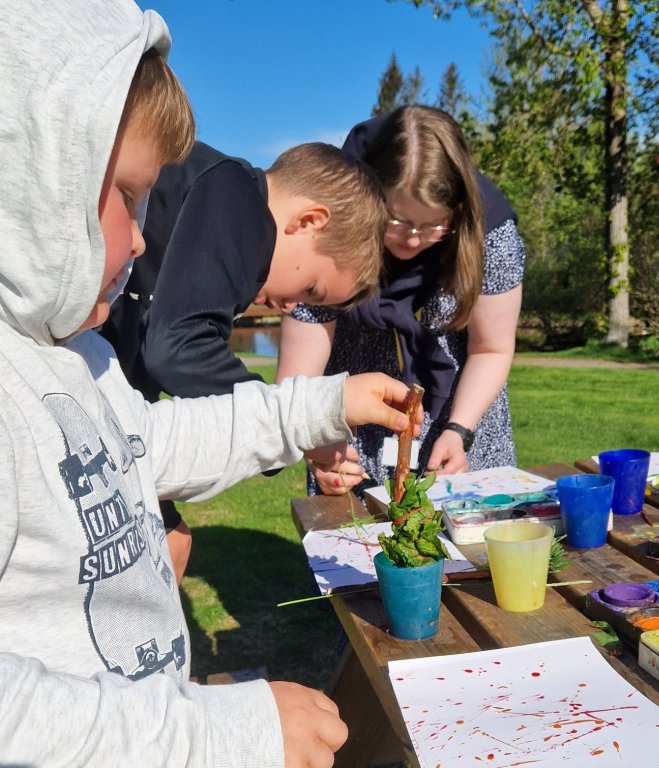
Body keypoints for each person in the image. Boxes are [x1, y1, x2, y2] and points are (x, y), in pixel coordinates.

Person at [0, 3, 421, 765]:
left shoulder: (83, 356)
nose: (142, 237)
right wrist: (214, 735)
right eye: (127, 196)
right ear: (34, 169)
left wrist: (322, 406)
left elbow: (151, 443)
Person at [99, 139, 386, 582]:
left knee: (170, 544)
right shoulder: (238, 194)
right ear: (309, 221)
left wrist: (296, 433)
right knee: (161, 547)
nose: (292, 306)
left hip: (103, 396)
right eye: (311, 288)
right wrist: (299, 424)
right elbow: (179, 347)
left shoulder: (222, 211)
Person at [277, 105, 525, 498]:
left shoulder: (488, 230)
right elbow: (297, 381)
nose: (412, 239)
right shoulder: (331, 224)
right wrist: (317, 445)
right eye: (397, 220)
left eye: (433, 225)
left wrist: (459, 430)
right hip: (352, 442)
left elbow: (491, 348)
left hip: (464, 431)